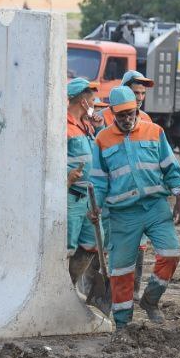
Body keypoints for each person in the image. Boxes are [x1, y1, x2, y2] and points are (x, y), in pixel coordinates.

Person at [90, 86, 180, 328]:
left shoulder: (155, 132)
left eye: (130, 113)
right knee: (121, 271)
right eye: (121, 115)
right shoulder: (102, 140)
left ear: (137, 109)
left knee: (171, 254)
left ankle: (150, 300)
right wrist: (96, 207)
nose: (126, 119)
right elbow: (99, 181)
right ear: (112, 113)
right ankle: (123, 325)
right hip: (123, 214)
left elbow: (171, 168)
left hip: (155, 207)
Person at [65, 77, 101, 282]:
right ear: (83, 102)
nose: (94, 106)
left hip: (89, 197)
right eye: (93, 101)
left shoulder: (85, 125)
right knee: (67, 246)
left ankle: (72, 283)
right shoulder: (63, 125)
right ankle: (64, 288)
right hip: (72, 196)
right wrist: (67, 177)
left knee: (92, 241)